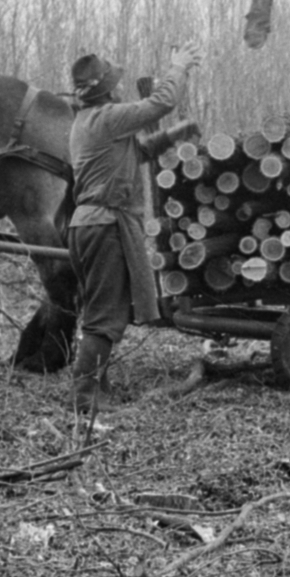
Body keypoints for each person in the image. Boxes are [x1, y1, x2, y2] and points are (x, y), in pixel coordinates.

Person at [65, 40, 205, 414]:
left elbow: (136, 153)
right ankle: (85, 395)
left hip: (89, 225)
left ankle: (98, 384)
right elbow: (161, 103)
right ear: (106, 89)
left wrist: (173, 136)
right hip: (104, 226)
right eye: (113, 82)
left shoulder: (89, 122)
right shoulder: (107, 117)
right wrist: (179, 66)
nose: (119, 87)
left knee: (102, 307)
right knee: (105, 312)